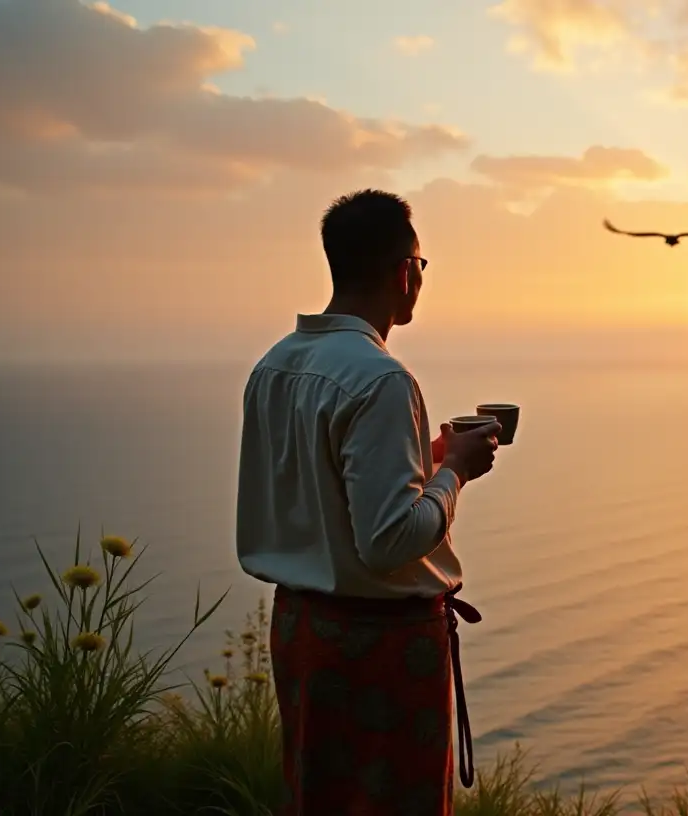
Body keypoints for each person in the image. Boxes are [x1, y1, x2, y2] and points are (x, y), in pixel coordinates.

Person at [236, 188, 501, 815]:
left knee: (321, 799)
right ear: (405, 271)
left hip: (304, 631)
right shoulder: (382, 379)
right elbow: (389, 543)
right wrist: (456, 472)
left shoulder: (275, 365)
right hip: (379, 644)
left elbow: (323, 484)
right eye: (421, 267)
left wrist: (426, 454)